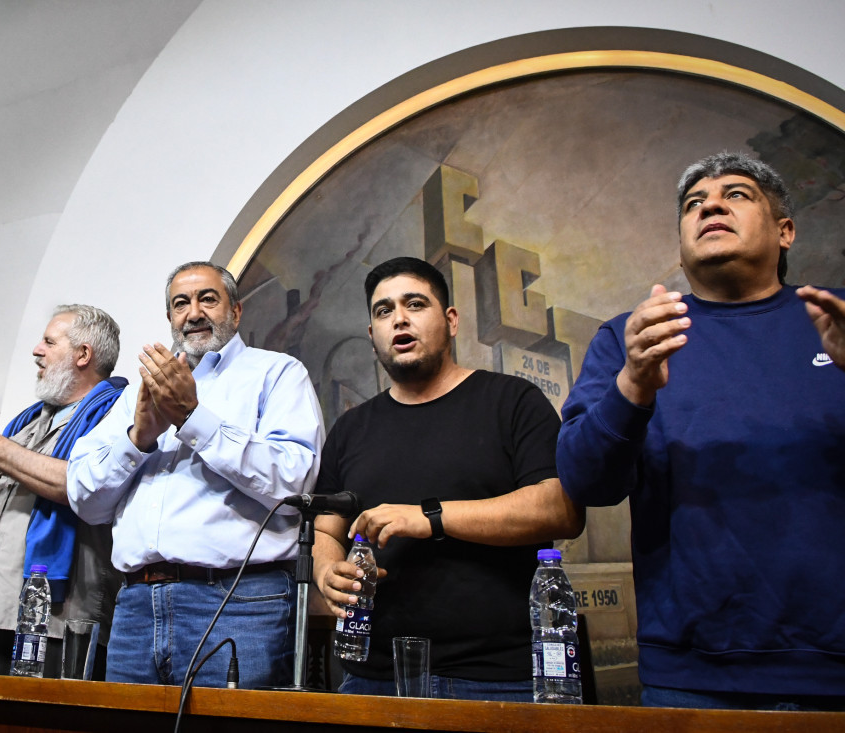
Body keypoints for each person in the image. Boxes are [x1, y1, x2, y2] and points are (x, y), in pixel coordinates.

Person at [557, 151, 845, 711]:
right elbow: (584, 482)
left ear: (785, 231)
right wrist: (634, 385)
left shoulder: (836, 321)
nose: (711, 203)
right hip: (691, 678)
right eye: (695, 203)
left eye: (737, 194)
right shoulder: (632, 338)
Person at [312, 257, 583, 700]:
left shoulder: (512, 402)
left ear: (451, 320)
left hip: (497, 679)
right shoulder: (351, 428)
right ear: (372, 336)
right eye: (383, 311)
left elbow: (562, 510)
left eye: (414, 304)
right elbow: (327, 526)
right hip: (372, 680)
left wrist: (430, 517)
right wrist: (327, 569)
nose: (398, 318)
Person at [67, 261, 324, 688]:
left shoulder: (276, 373)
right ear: (170, 318)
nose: (193, 313)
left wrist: (193, 417)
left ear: (236, 312)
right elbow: (85, 500)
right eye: (180, 303)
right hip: (135, 606)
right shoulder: (137, 392)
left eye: (208, 298)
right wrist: (138, 439)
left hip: (238, 605)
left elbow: (295, 483)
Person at [0, 304, 126, 676]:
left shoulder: (117, 413)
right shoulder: (30, 418)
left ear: (84, 355)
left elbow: (76, 486)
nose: (37, 350)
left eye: (49, 342)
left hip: (58, 624)